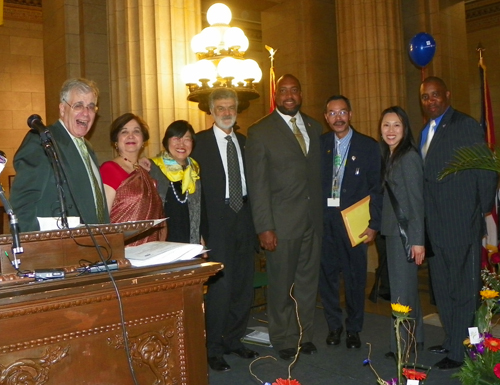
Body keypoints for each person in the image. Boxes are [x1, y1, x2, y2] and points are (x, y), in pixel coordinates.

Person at [418, 76, 497, 370]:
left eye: (436, 95)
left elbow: (486, 171)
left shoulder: (464, 125)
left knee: (464, 290)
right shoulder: (425, 130)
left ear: (448, 95)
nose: (431, 101)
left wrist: (478, 210)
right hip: (435, 226)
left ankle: (465, 348)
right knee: (443, 288)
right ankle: (452, 339)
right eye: (426, 97)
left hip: (460, 223)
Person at [245, 74, 323, 360]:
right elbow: (258, 184)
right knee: (281, 284)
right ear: (276, 95)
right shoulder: (260, 131)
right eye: (284, 91)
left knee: (307, 283)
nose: (289, 95)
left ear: (301, 94)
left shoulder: (314, 127)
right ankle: (282, 338)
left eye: (295, 90)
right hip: (280, 223)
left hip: (312, 222)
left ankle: (305, 335)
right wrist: (264, 226)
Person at [191, 88, 258, 372]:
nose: (227, 112)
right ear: (210, 111)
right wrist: (199, 230)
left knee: (243, 283)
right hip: (215, 220)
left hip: (245, 216)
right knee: (220, 287)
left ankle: (234, 340)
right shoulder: (197, 143)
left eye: (231, 107)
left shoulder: (246, 142)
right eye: (221, 108)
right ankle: (213, 347)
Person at [319, 95, 383, 349]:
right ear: (326, 117)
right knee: (328, 278)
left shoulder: (369, 146)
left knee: (356, 277)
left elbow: (377, 189)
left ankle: (354, 329)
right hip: (325, 223)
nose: (338, 118)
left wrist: (374, 224)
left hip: (355, 223)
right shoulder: (319, 144)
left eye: (342, 112)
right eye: (332, 113)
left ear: (351, 114)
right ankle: (334, 326)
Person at [11, 78, 110, 232]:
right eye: (78, 105)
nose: (86, 113)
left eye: (91, 107)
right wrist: (34, 248)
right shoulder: (42, 140)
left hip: (94, 247)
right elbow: (22, 204)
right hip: (57, 248)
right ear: (63, 109)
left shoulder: (87, 148)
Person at [379, 106, 425, 358]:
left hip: (404, 234)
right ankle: (413, 339)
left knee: (401, 290)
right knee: (406, 288)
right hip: (394, 231)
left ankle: (404, 347)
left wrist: (417, 241)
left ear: (405, 128)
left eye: (396, 125)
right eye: (386, 125)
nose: (391, 130)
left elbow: (417, 202)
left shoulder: (408, 157)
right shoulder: (391, 155)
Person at [100, 113, 166, 246]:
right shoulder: (109, 169)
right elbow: (103, 219)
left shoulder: (145, 172)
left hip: (150, 251)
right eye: (124, 132)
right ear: (116, 141)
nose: (131, 136)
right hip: (122, 251)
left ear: (143, 140)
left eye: (136, 131)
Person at [148, 120, 204, 244]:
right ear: (167, 141)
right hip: (163, 242)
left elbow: (201, 212)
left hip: (189, 241)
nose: (181, 144)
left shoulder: (195, 170)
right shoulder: (153, 168)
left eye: (186, 139)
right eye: (176, 138)